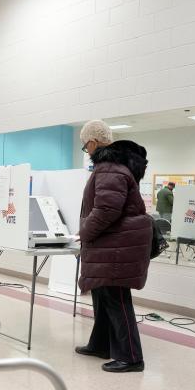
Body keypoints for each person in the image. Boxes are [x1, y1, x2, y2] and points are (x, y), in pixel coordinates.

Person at [75, 119, 152, 372]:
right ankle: (101, 345)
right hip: (110, 246)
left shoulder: (109, 169)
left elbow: (107, 210)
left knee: (117, 300)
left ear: (93, 142)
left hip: (115, 247)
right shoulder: (111, 167)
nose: (86, 152)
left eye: (85, 146)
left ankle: (131, 357)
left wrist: (84, 231)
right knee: (103, 297)